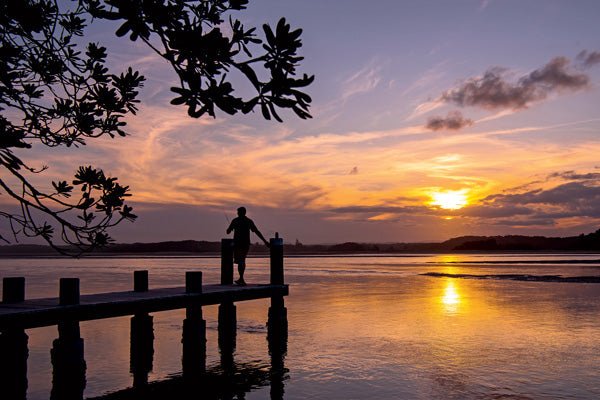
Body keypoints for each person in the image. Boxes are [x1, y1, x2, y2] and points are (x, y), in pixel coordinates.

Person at [226, 207, 269, 285]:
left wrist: (230, 229)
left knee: (240, 260)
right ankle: (241, 278)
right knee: (242, 260)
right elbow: (256, 231)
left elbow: (228, 232)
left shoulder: (235, 221)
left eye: (238, 212)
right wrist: (265, 241)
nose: (237, 213)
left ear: (241, 213)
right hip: (245, 244)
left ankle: (241, 279)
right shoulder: (248, 221)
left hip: (238, 244)